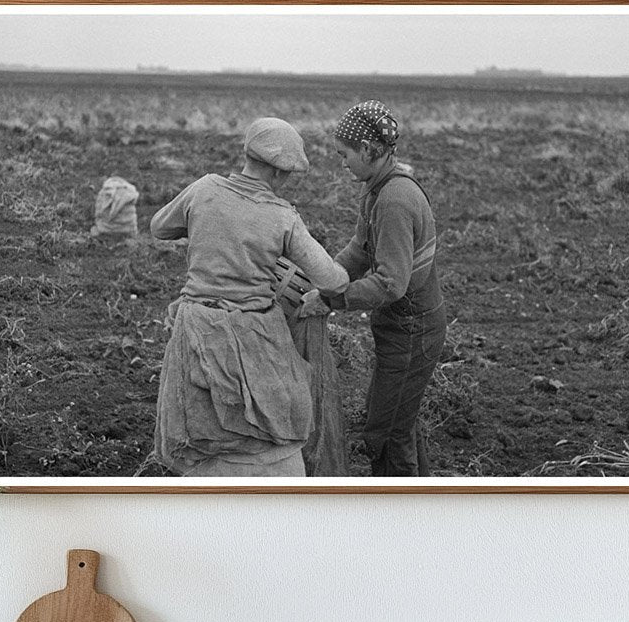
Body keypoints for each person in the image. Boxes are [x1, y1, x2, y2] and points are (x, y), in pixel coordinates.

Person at [150, 117, 348, 477]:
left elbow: (160, 227)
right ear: (278, 174)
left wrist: (204, 228)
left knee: (201, 421)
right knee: (273, 422)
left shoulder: (204, 189)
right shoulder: (282, 216)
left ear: (247, 155)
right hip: (256, 334)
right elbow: (331, 279)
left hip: (196, 326)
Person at [326, 100, 446, 476]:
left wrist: (334, 298)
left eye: (345, 154)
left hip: (413, 331)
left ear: (367, 150)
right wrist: (323, 276)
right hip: (402, 327)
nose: (342, 161)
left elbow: (392, 283)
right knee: (398, 423)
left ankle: (397, 516)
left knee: (385, 432)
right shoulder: (377, 190)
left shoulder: (394, 201)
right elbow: (359, 251)